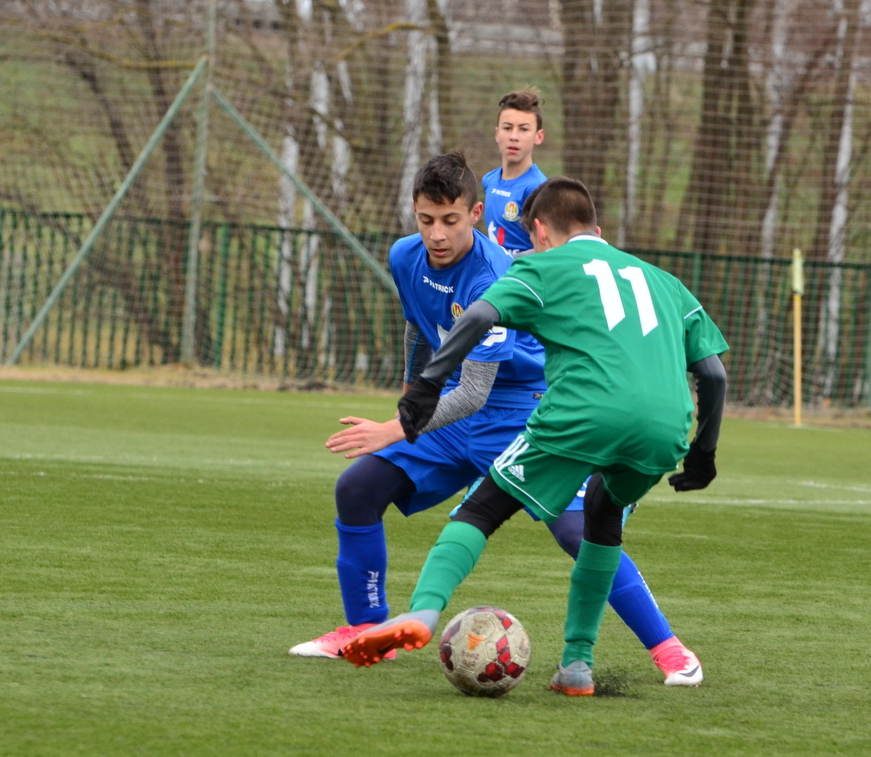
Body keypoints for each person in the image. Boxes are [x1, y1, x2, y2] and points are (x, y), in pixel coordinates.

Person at [289, 153, 704, 686]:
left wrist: (396, 428)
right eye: (426, 220)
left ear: (476, 214)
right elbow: (419, 327)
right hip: (448, 409)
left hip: (515, 410)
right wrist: (411, 394)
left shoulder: (496, 274)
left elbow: (475, 393)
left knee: (578, 531)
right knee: (357, 489)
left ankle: (668, 648)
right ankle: (367, 629)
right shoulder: (404, 256)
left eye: (450, 220)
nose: (437, 234)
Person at [483, 88, 548, 256]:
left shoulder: (538, 189)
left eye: (523, 129)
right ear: (497, 133)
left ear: (538, 137)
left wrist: (509, 261)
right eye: (507, 128)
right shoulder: (489, 180)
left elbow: (548, 249)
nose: (514, 136)